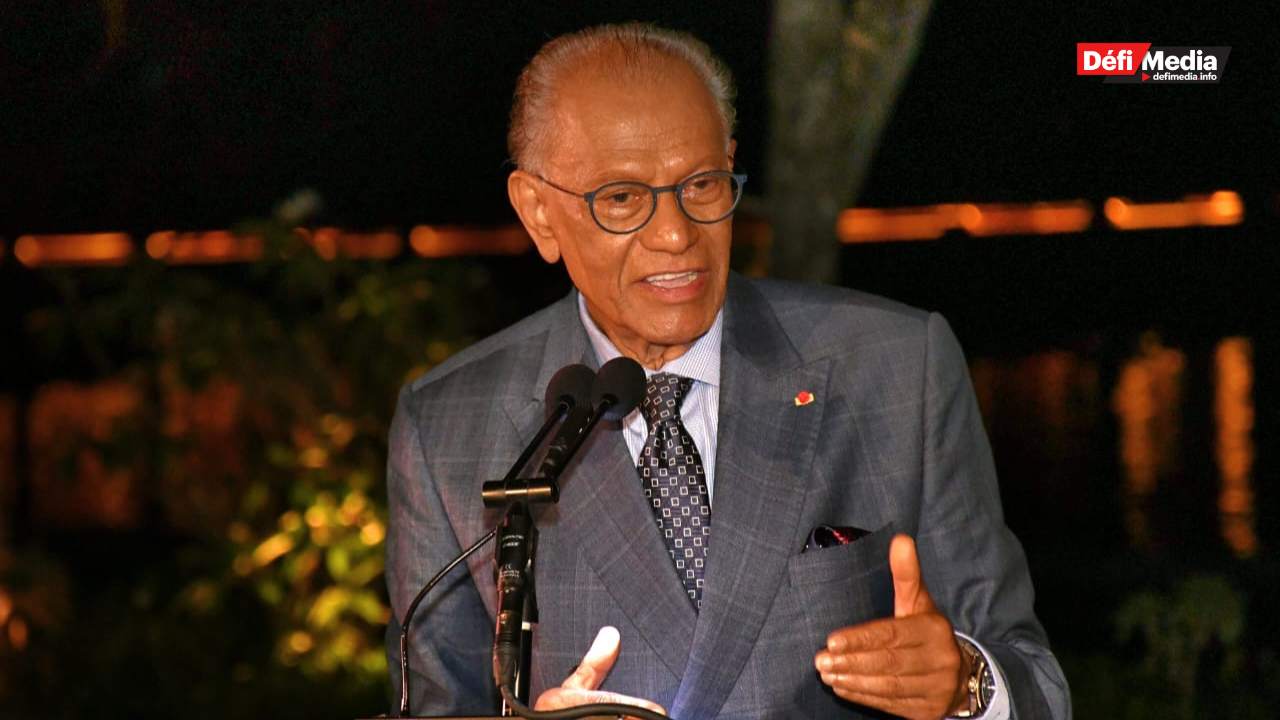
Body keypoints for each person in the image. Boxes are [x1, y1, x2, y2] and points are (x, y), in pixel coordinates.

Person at [385, 22, 1069, 720]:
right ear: (538, 213)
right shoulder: (448, 429)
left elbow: (1038, 684)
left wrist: (966, 684)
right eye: (622, 199)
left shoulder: (896, 367)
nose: (676, 233)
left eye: (703, 185)